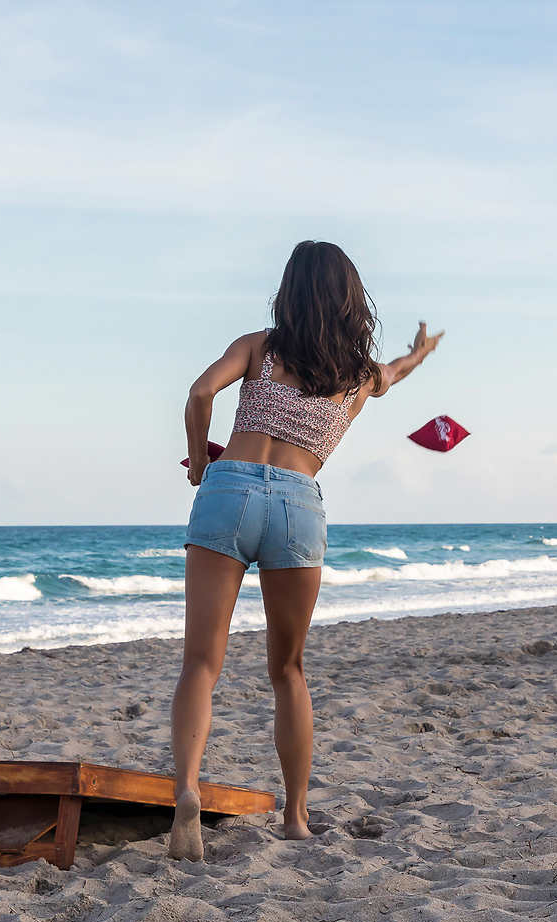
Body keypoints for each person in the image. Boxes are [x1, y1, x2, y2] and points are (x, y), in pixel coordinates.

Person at [168, 240, 442, 861]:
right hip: (297, 504)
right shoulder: (359, 374)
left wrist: (197, 459)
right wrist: (419, 353)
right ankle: (294, 817)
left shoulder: (260, 347)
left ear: (288, 291)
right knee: (287, 669)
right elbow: (395, 372)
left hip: (228, 488)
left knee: (201, 664)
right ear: (350, 301)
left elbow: (199, 392)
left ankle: (186, 789)